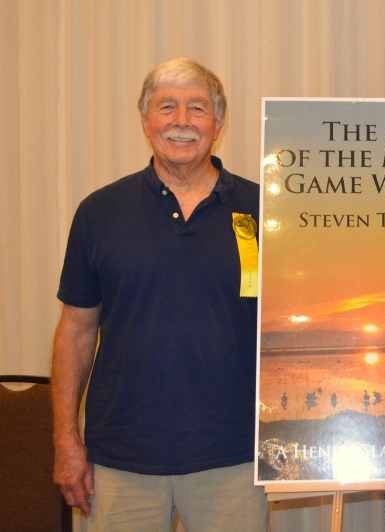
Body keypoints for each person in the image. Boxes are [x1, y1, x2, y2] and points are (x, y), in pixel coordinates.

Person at [51, 57, 268, 529]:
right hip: (120, 463)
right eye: (167, 107)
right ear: (145, 121)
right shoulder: (99, 213)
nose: (182, 121)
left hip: (233, 460)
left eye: (197, 108)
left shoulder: (265, 209)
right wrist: (67, 441)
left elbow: (293, 326)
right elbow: (75, 333)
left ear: (219, 122)